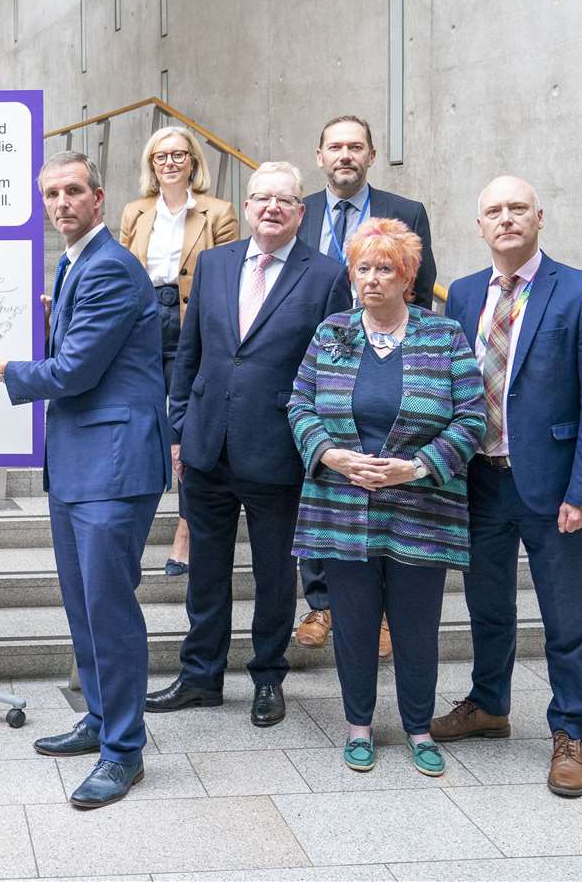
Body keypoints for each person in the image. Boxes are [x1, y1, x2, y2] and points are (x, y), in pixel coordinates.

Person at [0, 151, 168, 810]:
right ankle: (98, 719)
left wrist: (9, 371)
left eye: (73, 191)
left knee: (109, 610)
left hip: (113, 464)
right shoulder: (75, 260)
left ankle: (124, 751)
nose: (61, 203)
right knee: (85, 606)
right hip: (83, 461)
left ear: (99, 198)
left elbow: (77, 368)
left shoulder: (109, 265)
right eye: (51, 193)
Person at [431, 175, 582, 798]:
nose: (506, 218)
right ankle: (489, 704)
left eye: (518, 208)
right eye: (494, 210)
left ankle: (570, 733)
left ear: (539, 217)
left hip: (552, 486)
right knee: (488, 607)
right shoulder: (461, 294)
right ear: (479, 224)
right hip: (479, 483)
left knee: (565, 618)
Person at [146, 161, 351, 727]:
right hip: (209, 445)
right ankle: (200, 676)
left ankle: (267, 678)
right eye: (261, 198)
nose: (271, 208)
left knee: (273, 576)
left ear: (300, 212)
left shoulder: (327, 275)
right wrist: (180, 427)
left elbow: (332, 370)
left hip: (278, 448)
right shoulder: (214, 263)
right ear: (248, 204)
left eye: (284, 200)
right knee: (206, 572)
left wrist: (319, 443)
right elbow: (191, 352)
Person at [288, 218, 485, 777]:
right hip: (342, 507)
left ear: (408, 277)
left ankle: (419, 728)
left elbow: (473, 416)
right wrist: (332, 455)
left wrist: (418, 466)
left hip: (421, 508)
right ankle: (358, 727)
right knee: (351, 623)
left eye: (385, 269)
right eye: (363, 269)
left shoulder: (442, 336)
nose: (372, 280)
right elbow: (299, 404)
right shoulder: (332, 332)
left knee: (416, 624)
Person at [294, 115, 438, 654]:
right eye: (336, 146)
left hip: (384, 358)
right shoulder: (300, 212)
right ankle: (321, 602)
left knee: (379, 476)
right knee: (322, 478)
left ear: (371, 155)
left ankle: (377, 614)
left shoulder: (406, 212)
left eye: (355, 146)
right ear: (320, 155)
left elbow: (421, 290)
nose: (345, 155)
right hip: (320, 359)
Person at [118, 126, 238, 577]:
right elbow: (124, 271)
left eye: (178, 155)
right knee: (145, 424)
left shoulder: (218, 211)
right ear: (151, 164)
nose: (169, 163)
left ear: (193, 162)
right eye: (160, 156)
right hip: (147, 322)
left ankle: (186, 530)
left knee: (190, 428)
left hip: (197, 325)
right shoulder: (136, 212)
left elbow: (229, 276)